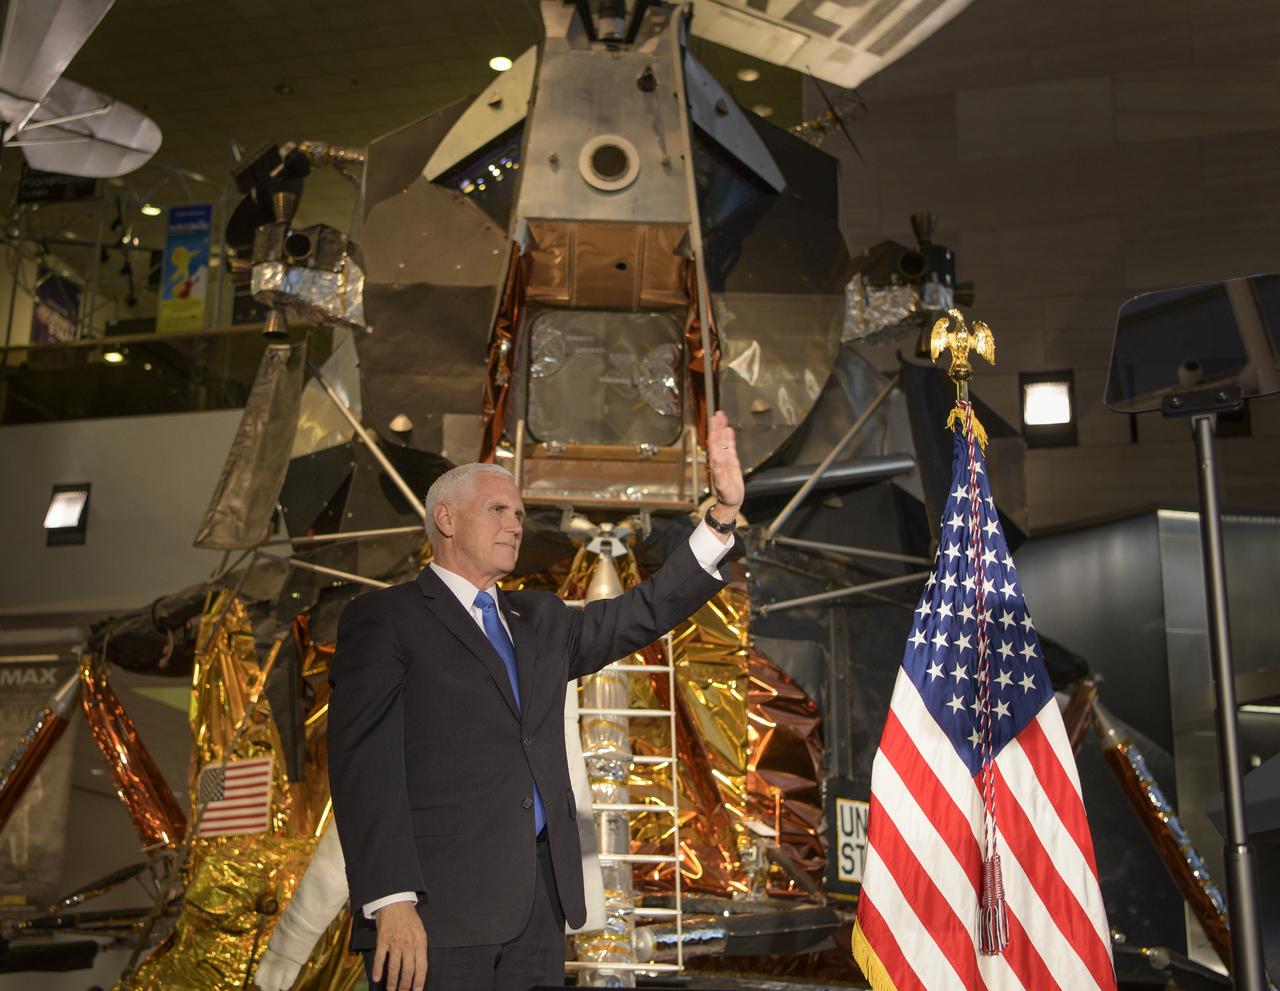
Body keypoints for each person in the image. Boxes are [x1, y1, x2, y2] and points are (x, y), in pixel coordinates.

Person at [328, 411, 745, 991]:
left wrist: (720, 517)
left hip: (538, 912)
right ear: (445, 519)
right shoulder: (386, 618)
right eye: (498, 510)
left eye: (520, 514)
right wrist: (391, 900)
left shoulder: (541, 617)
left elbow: (642, 611)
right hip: (435, 913)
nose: (515, 524)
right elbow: (363, 770)